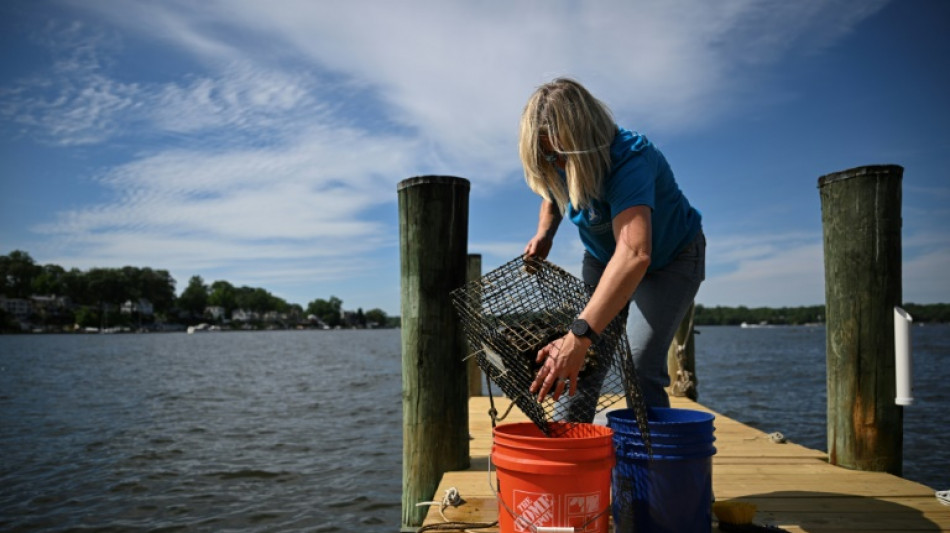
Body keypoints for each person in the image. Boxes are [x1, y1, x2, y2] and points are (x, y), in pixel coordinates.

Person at [521, 78, 705, 417]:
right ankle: (570, 452)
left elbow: (635, 253)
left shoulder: (628, 159)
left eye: (557, 155)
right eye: (545, 156)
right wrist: (544, 233)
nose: (554, 166)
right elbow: (551, 194)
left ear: (582, 141)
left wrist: (578, 335)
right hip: (603, 258)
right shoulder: (556, 159)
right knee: (583, 363)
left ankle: (649, 466)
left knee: (639, 366)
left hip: (670, 260)